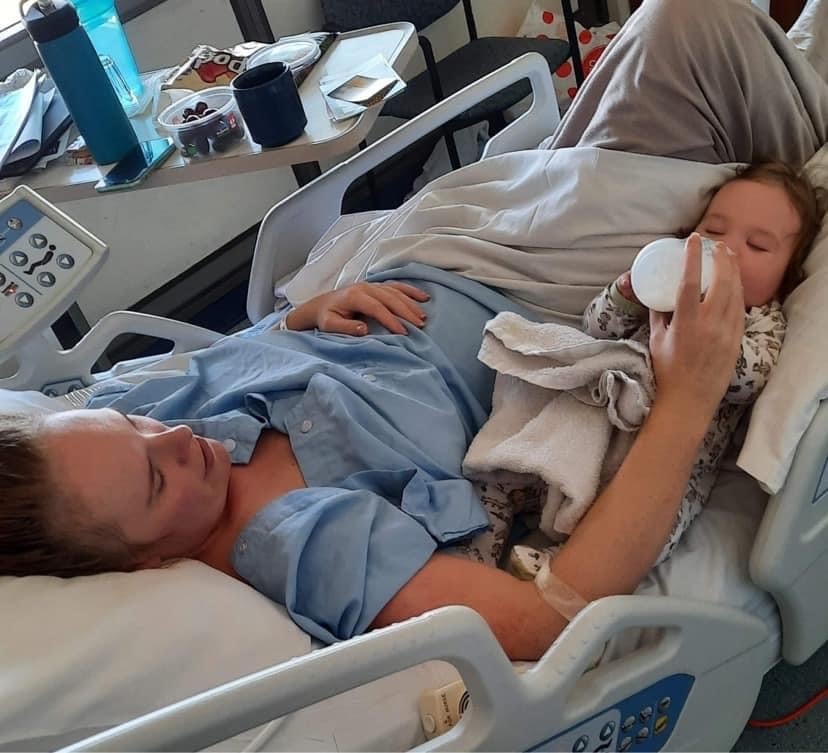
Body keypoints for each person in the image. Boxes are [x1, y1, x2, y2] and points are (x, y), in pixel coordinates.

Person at [0, 0, 826, 662]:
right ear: (147, 564)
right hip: (547, 293)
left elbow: (138, 382)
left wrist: (298, 317)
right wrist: (687, 399)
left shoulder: (133, 420)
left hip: (448, 234)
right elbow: (545, 619)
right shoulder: (304, 540)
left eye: (139, 426)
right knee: (695, 30)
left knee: (680, 39)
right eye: (154, 479)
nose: (177, 436)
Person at [510, 161, 824, 577]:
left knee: (658, 523)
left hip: (674, 459)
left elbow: (750, 381)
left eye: (758, 246)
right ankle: (487, 529)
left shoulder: (761, 321)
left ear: (786, 277)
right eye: (713, 231)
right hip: (599, 422)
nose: (725, 250)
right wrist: (626, 293)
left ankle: (563, 566)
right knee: (521, 459)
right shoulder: (662, 290)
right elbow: (596, 329)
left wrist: (719, 342)